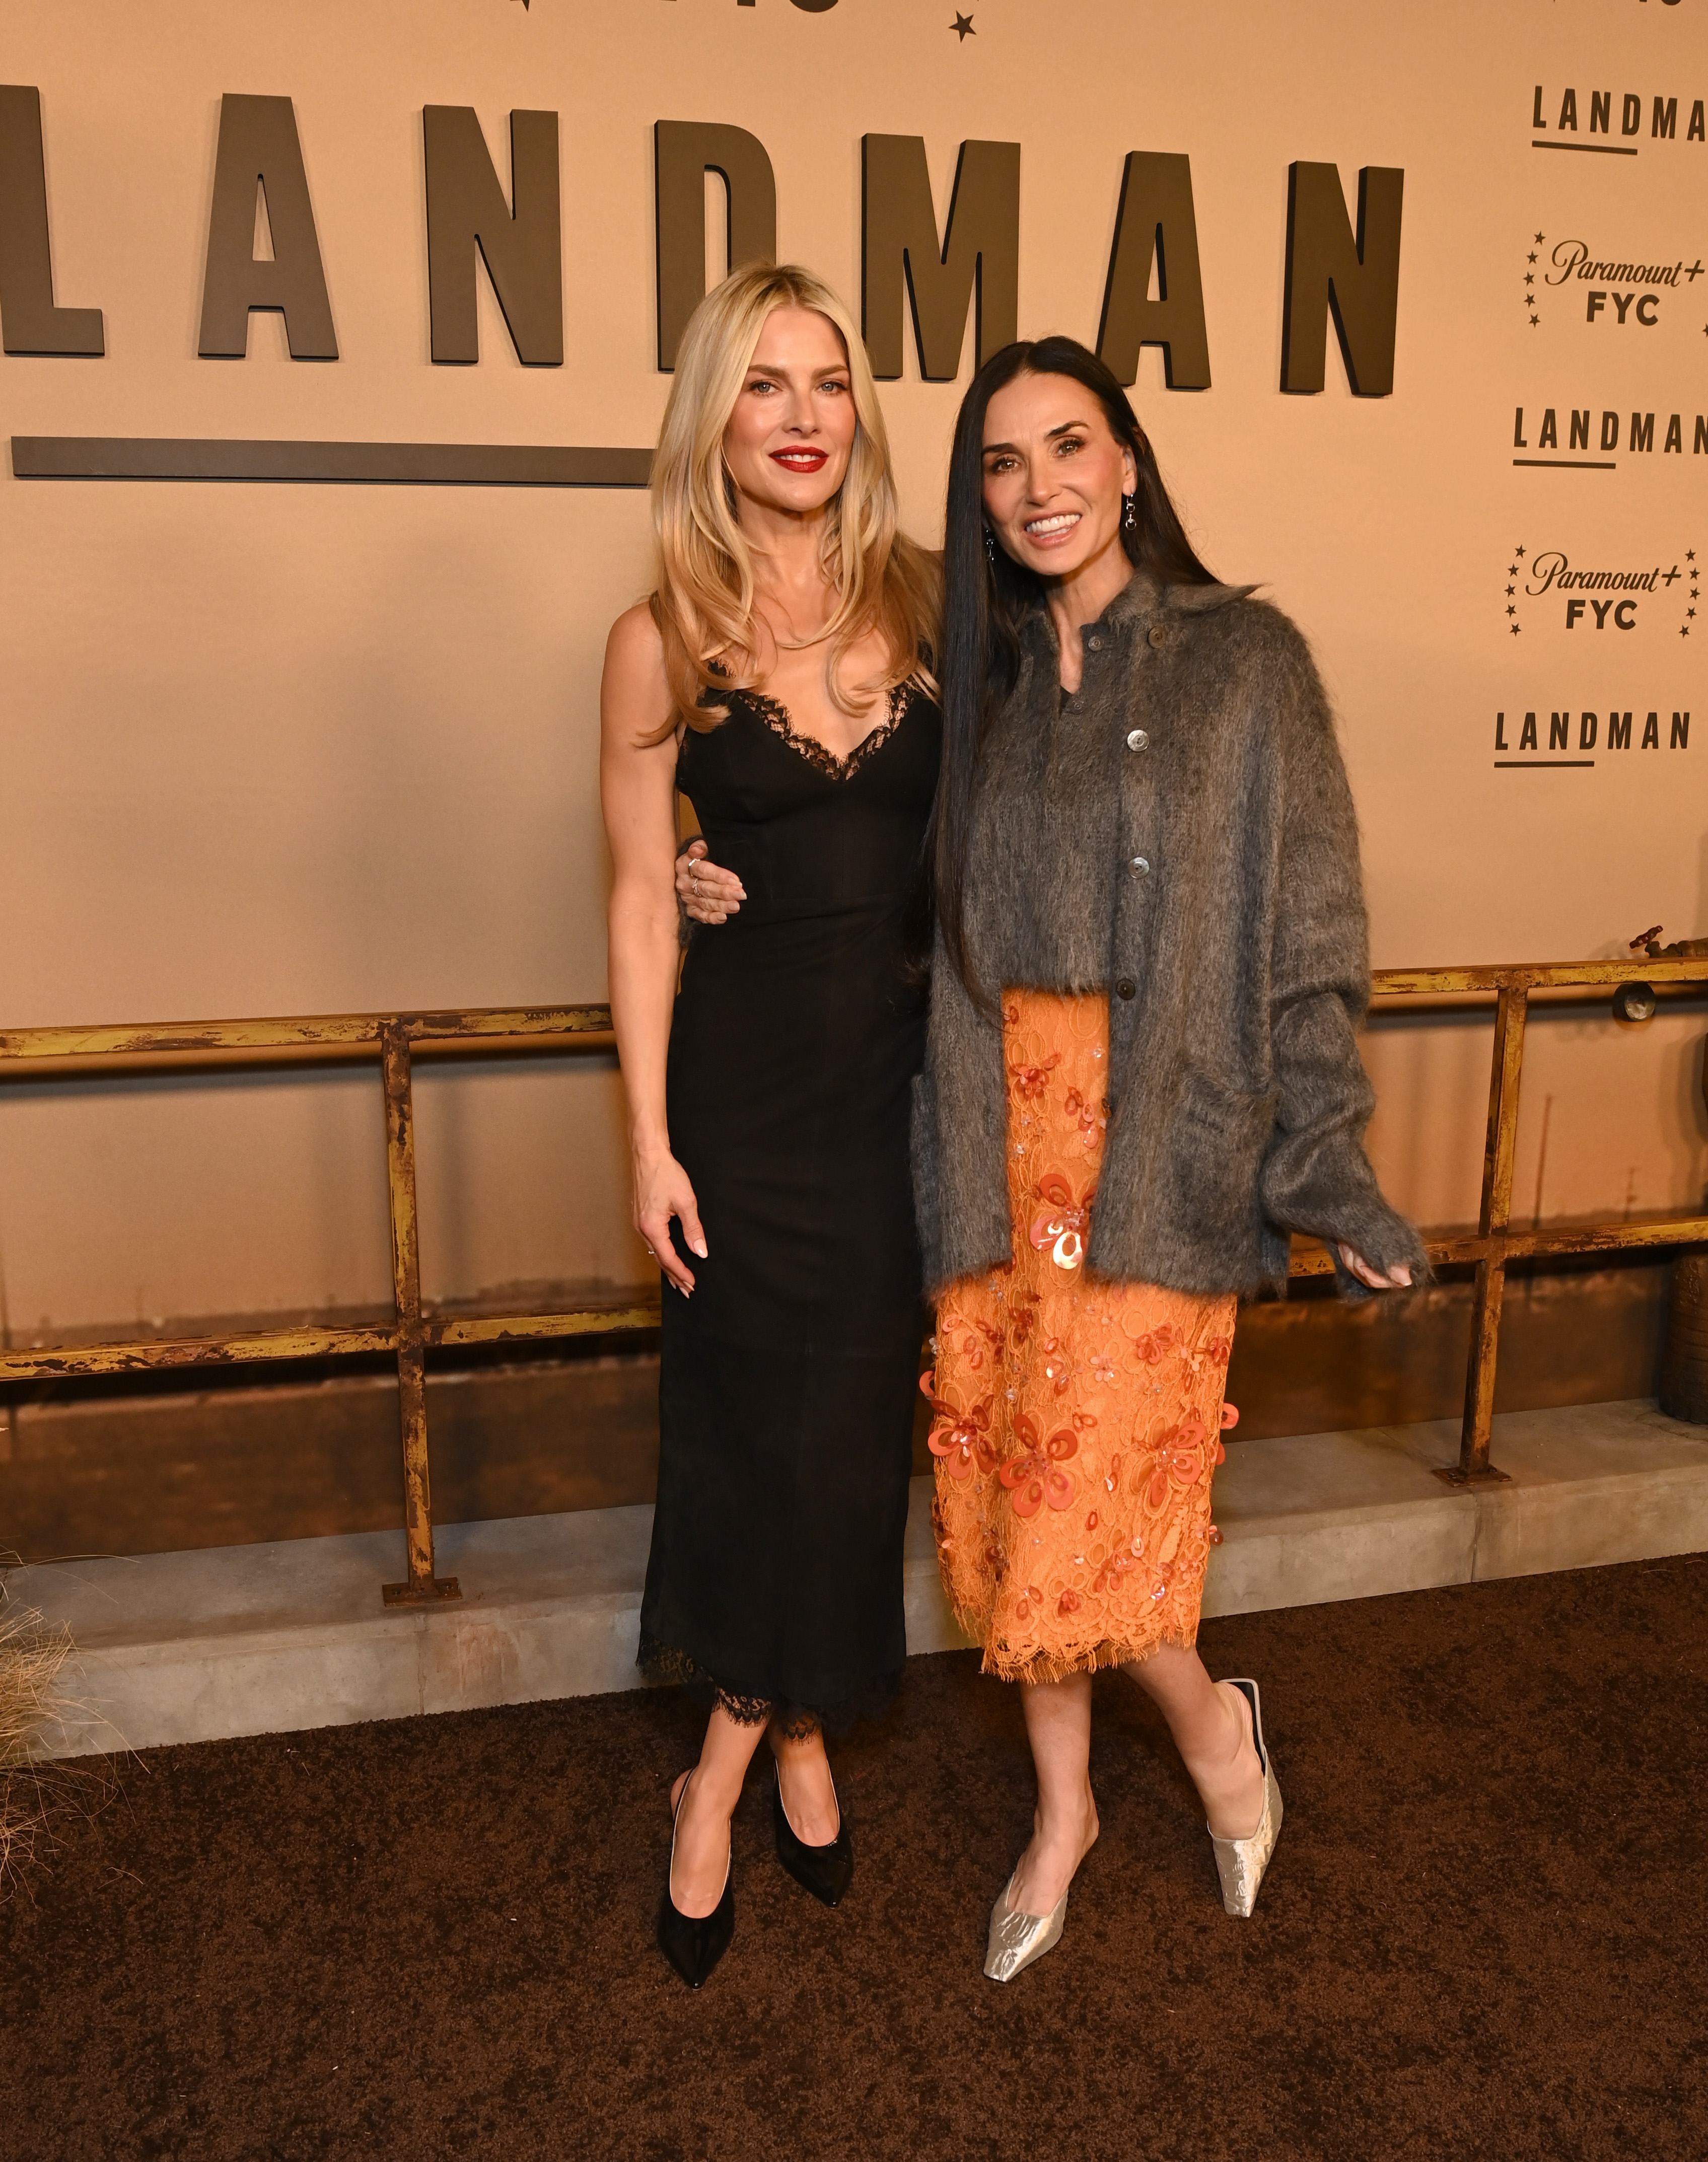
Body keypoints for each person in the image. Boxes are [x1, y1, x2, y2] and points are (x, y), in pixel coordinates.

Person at [908, 335, 1426, 1977]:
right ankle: (1063, 1812)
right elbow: (882, 889)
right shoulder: (969, 689)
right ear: (979, 505)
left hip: (1157, 1149)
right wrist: (726, 883)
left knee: (1101, 1528)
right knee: (1004, 1526)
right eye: (1004, 463)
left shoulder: (1245, 664)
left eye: (1071, 446)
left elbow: (1315, 936)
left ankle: (1214, 1739)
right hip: (992, 1136)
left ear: (1129, 462)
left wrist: (1328, 1167)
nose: (1041, 485)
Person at [600, 262, 941, 1990]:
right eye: (764, 385)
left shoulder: (940, 608)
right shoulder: (657, 634)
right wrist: (650, 1143)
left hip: (894, 1108)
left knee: (851, 1438)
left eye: (829, 382)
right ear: (715, 419)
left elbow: (1019, 837)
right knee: (745, 1442)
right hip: (734, 1109)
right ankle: (764, 1757)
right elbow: (640, 908)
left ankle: (736, 1760)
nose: (803, 416)